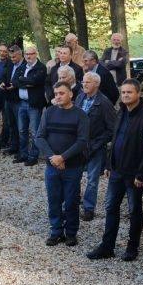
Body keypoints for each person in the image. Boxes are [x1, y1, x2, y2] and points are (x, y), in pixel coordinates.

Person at [87, 79, 143, 260]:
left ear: (138, 94)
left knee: (134, 211)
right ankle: (107, 246)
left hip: (134, 173)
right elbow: (115, 139)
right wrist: (109, 164)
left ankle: (132, 247)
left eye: (129, 92)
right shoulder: (121, 112)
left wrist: (142, 174)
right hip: (116, 170)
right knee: (111, 207)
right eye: (123, 92)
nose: (125, 95)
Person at [35, 81, 90, 247]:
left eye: (61, 93)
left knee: (71, 201)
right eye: (56, 94)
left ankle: (71, 233)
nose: (58, 96)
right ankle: (56, 231)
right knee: (54, 200)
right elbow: (39, 137)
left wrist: (63, 157)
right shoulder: (49, 112)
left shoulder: (80, 115)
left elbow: (82, 141)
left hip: (72, 167)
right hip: (52, 166)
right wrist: (53, 157)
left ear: (70, 94)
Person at [74, 71, 115, 221]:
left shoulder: (104, 103)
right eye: (83, 82)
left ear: (96, 84)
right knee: (75, 176)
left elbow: (111, 129)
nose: (84, 84)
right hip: (78, 146)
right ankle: (73, 203)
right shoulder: (79, 98)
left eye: (87, 82)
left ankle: (89, 208)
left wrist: (97, 143)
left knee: (92, 180)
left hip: (96, 147)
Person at [12, 45, 46, 166]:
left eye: (31, 54)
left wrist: (22, 80)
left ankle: (33, 156)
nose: (28, 56)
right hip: (22, 103)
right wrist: (26, 83)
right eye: (26, 54)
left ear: (35, 54)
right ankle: (23, 154)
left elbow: (35, 81)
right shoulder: (22, 67)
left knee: (35, 131)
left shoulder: (41, 67)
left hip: (34, 105)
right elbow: (14, 81)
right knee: (22, 130)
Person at [1, 46, 23, 156]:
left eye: (14, 57)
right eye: (11, 57)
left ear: (20, 55)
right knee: (11, 124)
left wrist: (14, 85)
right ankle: (14, 146)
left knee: (20, 126)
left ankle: (22, 149)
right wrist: (2, 83)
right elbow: (5, 76)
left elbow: (24, 81)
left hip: (18, 99)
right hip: (8, 98)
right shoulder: (10, 64)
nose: (12, 59)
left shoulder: (25, 65)